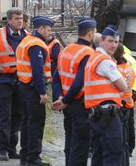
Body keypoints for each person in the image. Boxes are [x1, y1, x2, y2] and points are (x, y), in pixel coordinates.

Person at [52, 18, 97, 166]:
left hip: (67, 102)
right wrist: (65, 101)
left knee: (70, 142)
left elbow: (57, 76)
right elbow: (79, 82)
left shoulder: (67, 49)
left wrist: (60, 97)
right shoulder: (88, 52)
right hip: (79, 104)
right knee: (80, 146)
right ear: (90, 34)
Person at [84, 25, 128, 166]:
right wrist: (123, 80)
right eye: (110, 41)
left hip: (96, 114)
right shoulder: (105, 61)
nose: (114, 45)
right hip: (107, 113)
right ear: (102, 41)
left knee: (98, 153)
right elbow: (123, 86)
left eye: (116, 42)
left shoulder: (94, 57)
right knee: (114, 153)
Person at [0, 8, 28, 161]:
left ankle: (12, 148)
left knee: (18, 116)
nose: (20, 21)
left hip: (21, 81)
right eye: (17, 18)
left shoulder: (27, 37)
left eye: (21, 18)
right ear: (9, 20)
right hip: (4, 80)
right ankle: (2, 149)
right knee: (5, 116)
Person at [16, 16, 54, 166]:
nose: (50, 33)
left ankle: (25, 156)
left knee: (26, 122)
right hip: (33, 89)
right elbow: (37, 71)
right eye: (49, 30)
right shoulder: (37, 45)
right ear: (41, 29)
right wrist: (42, 92)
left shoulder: (26, 40)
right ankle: (34, 158)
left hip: (24, 86)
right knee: (36, 123)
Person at [113, 43, 136, 166]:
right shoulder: (128, 67)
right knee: (125, 138)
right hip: (128, 104)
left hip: (118, 105)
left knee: (118, 138)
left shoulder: (115, 69)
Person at [123, 45, 136, 156]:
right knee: (130, 121)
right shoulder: (130, 57)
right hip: (134, 90)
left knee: (124, 121)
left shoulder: (117, 57)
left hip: (126, 91)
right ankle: (130, 147)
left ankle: (126, 146)